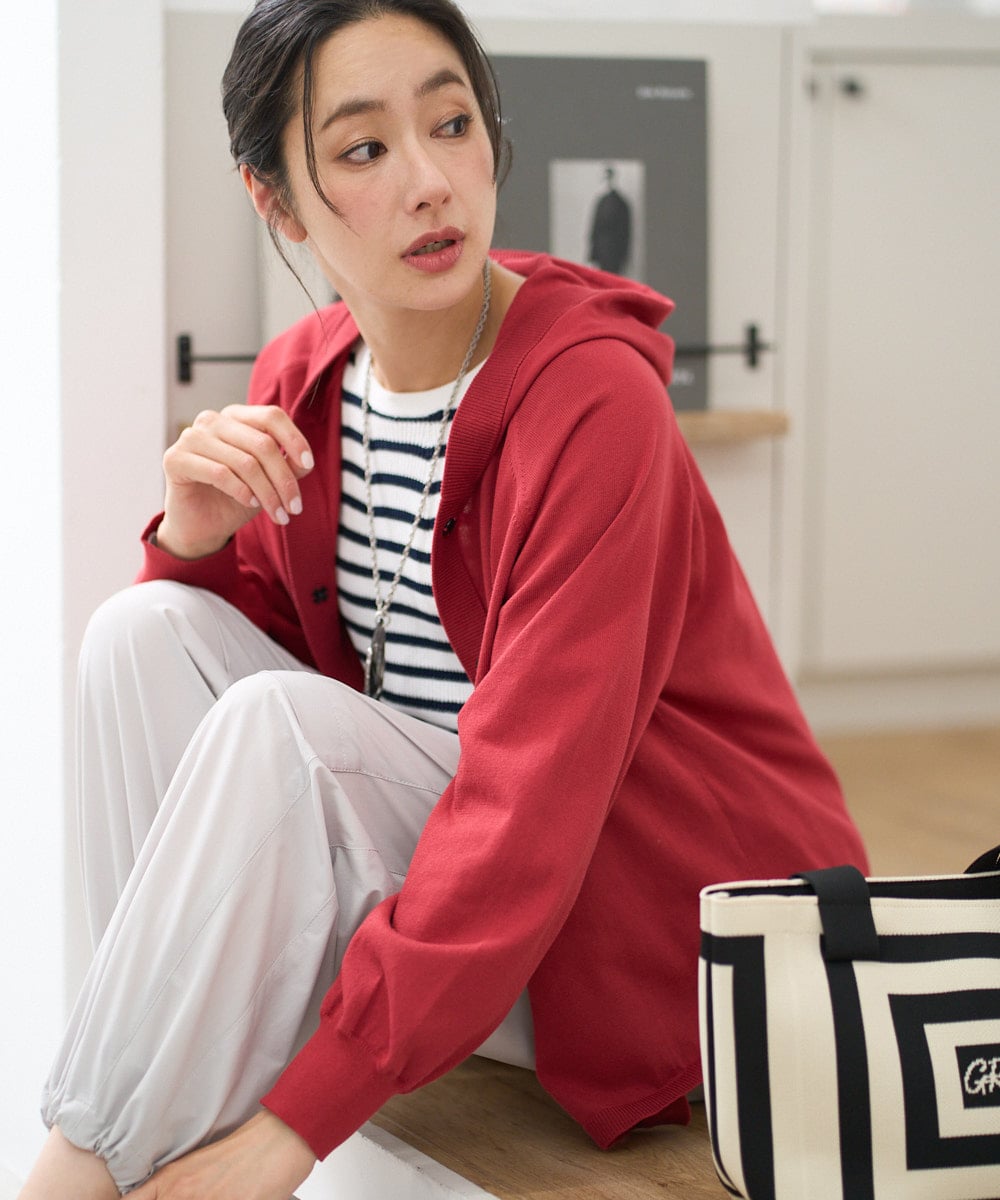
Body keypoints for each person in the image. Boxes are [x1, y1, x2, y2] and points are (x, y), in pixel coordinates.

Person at [18, 0, 868, 1196]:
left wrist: (293, 1132)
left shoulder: (591, 402)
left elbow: (528, 802)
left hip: (647, 934)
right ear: (276, 200)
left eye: (452, 124)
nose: (429, 182)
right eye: (364, 148)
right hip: (467, 910)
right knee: (136, 630)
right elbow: (272, 691)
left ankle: (82, 1171)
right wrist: (196, 542)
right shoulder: (306, 377)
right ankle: (154, 1110)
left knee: (285, 728)